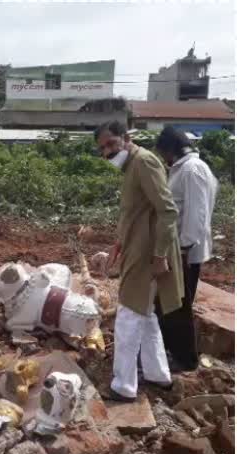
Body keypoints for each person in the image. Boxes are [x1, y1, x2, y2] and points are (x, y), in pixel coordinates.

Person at [94, 121, 184, 402]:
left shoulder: (144, 162)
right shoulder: (132, 166)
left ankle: (123, 386)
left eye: (111, 143)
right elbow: (134, 214)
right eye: (102, 148)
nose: (107, 151)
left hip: (147, 256)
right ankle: (158, 375)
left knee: (128, 318)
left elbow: (168, 211)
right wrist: (118, 245)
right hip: (137, 250)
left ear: (127, 137)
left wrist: (159, 256)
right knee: (145, 317)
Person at [154, 127, 219, 372]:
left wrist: (183, 249)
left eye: (164, 153)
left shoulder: (193, 170)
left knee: (179, 307)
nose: (164, 159)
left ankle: (186, 360)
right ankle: (171, 352)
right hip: (178, 249)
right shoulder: (184, 169)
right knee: (170, 304)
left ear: (172, 149)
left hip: (185, 252)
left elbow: (196, 216)